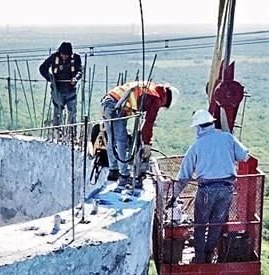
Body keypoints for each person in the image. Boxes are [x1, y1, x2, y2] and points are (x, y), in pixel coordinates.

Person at [167, 109, 250, 264]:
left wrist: (173, 196)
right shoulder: (227, 138)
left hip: (206, 190)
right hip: (226, 189)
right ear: (212, 123)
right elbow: (244, 156)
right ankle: (209, 254)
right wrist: (229, 141)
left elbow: (184, 176)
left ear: (198, 127)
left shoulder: (196, 147)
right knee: (216, 224)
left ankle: (199, 257)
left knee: (200, 224)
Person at [100, 81, 178, 186]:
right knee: (120, 140)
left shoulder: (151, 88)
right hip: (117, 105)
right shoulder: (156, 98)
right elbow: (148, 123)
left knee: (112, 138)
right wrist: (147, 143)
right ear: (167, 100)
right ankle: (124, 176)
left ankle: (113, 171)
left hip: (108, 102)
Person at [39, 42, 83, 129]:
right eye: (63, 54)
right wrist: (50, 78)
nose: (64, 57)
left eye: (66, 55)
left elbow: (80, 71)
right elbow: (42, 68)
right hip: (57, 90)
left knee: (72, 113)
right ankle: (57, 134)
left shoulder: (76, 58)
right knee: (57, 113)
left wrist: (76, 78)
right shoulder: (54, 57)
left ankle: (72, 135)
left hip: (71, 90)